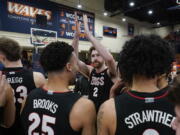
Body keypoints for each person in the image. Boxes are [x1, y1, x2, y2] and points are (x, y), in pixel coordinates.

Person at [97, 35, 176, 135]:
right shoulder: (177, 103)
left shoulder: (107, 109)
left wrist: (113, 96)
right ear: (161, 65)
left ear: (126, 65)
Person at [21, 41, 96, 135]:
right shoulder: (84, 106)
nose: (77, 68)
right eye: (76, 64)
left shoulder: (28, 98)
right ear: (69, 66)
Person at [0, 37, 46, 135]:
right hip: (30, 128)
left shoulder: (1, 79)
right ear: (20, 54)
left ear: (1, 57)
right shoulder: (37, 77)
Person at [72, 13, 117, 111]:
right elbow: (74, 60)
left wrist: (89, 35)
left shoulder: (111, 72)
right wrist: (76, 36)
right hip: (92, 112)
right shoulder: (91, 71)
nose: (95, 58)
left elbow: (109, 59)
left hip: (106, 113)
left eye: (98, 55)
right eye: (93, 56)